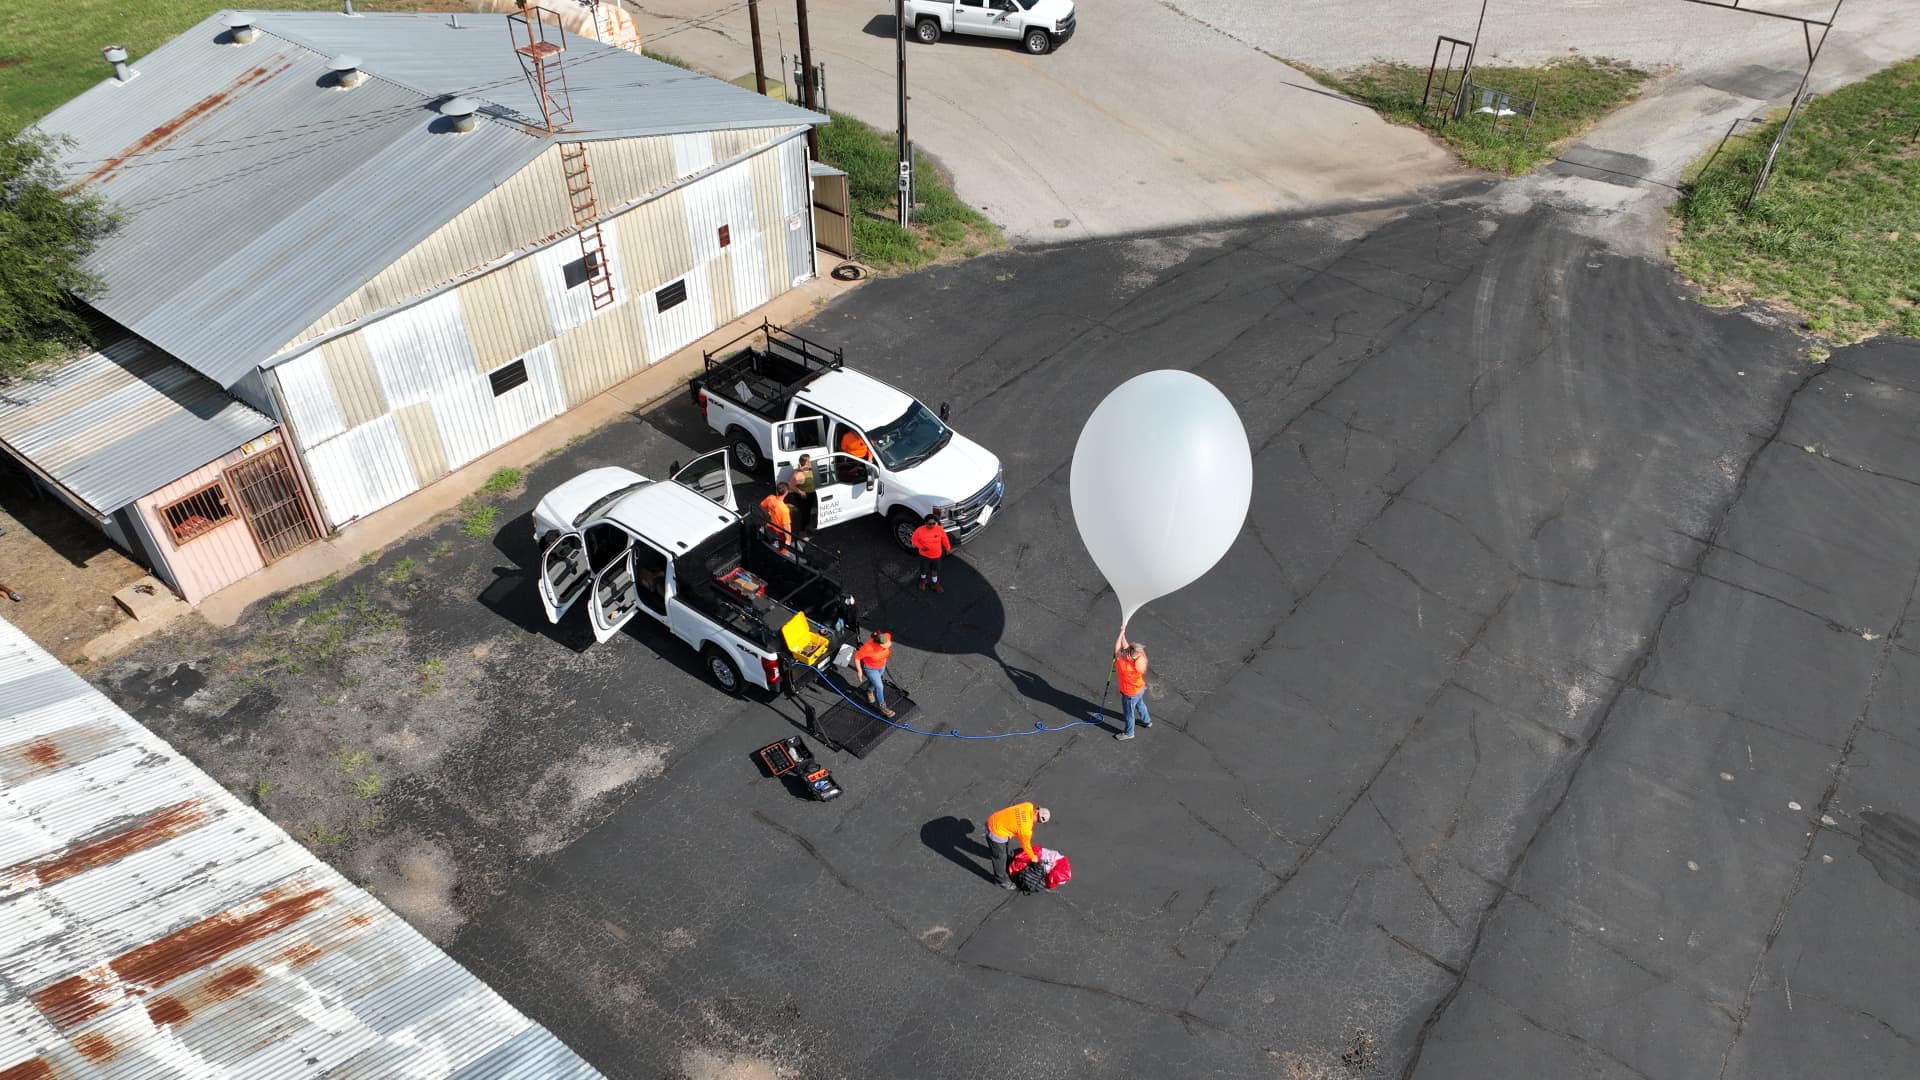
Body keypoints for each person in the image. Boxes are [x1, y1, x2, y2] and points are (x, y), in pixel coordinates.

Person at [985, 802, 1050, 891]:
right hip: (996, 832)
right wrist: (1033, 858)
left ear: (1037, 810)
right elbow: (1026, 846)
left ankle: (1003, 857)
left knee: (1003, 851)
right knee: (999, 857)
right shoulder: (1026, 829)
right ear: (1039, 820)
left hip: (994, 818)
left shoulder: (1028, 805)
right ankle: (1000, 880)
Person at [1112, 630, 1150, 741]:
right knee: (1140, 704)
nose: (1124, 652)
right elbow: (1127, 647)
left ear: (1129, 657)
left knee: (1129, 714)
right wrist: (1123, 633)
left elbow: (1117, 649)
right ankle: (1146, 721)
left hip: (1129, 694)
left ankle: (1129, 733)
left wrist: (1120, 634)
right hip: (1140, 688)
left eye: (1126, 652)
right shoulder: (1140, 657)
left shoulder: (1125, 666)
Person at [854, 630, 895, 718]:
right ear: (878, 644)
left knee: (875, 681)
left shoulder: (887, 636)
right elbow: (857, 657)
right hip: (870, 668)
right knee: (880, 686)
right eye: (885, 645)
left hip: (881, 666)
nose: (888, 645)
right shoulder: (868, 648)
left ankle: (869, 691)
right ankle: (883, 708)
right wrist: (859, 671)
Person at [911, 514, 952, 592]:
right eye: (930, 524)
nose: (932, 525)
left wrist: (948, 548)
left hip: (936, 556)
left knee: (934, 570)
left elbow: (945, 539)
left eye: (934, 523)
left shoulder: (939, 529)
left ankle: (935, 583)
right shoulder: (919, 530)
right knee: (923, 570)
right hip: (924, 556)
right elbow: (914, 540)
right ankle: (923, 581)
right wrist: (921, 547)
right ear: (925, 523)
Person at [787, 454, 817, 535]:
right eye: (809, 461)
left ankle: (808, 526)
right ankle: (802, 531)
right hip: (805, 496)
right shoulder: (799, 475)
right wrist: (801, 492)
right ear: (806, 462)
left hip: (811, 494)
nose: (811, 461)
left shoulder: (809, 469)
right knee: (805, 514)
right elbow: (791, 485)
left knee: (808, 512)